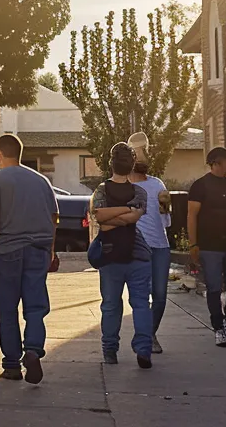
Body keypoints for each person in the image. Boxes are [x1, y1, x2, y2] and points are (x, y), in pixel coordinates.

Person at [0, 134, 57, 384]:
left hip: (9, 251)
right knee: (35, 306)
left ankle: (12, 364)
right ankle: (33, 350)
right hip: (38, 249)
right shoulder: (42, 181)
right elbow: (54, 216)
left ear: (0, 154)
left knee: (8, 308)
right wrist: (51, 250)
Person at [93, 142, 154, 368]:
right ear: (131, 167)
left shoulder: (100, 191)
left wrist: (110, 217)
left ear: (111, 164)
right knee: (140, 303)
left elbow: (101, 218)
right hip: (138, 254)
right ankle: (144, 349)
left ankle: (110, 350)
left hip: (109, 256)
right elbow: (131, 218)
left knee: (110, 305)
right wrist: (127, 211)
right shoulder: (139, 192)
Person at [187, 147, 226, 347]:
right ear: (216, 163)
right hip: (210, 245)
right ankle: (218, 328)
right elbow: (192, 216)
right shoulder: (200, 186)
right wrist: (193, 243)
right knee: (214, 287)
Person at [127, 134, 172, 354]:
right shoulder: (122, 186)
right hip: (136, 248)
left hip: (160, 247)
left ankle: (149, 334)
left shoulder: (158, 184)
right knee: (141, 296)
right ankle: (145, 338)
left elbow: (166, 219)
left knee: (161, 296)